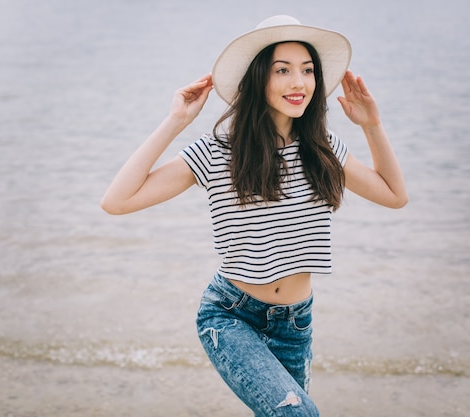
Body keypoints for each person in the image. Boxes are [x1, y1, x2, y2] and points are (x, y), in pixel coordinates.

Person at [102, 15, 407, 417]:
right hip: (231, 317)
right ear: (258, 78)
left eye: (308, 70)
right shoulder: (218, 151)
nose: (299, 83)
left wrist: (373, 126)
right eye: (282, 70)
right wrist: (175, 120)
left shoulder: (322, 148)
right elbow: (117, 200)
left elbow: (394, 195)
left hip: (295, 325)